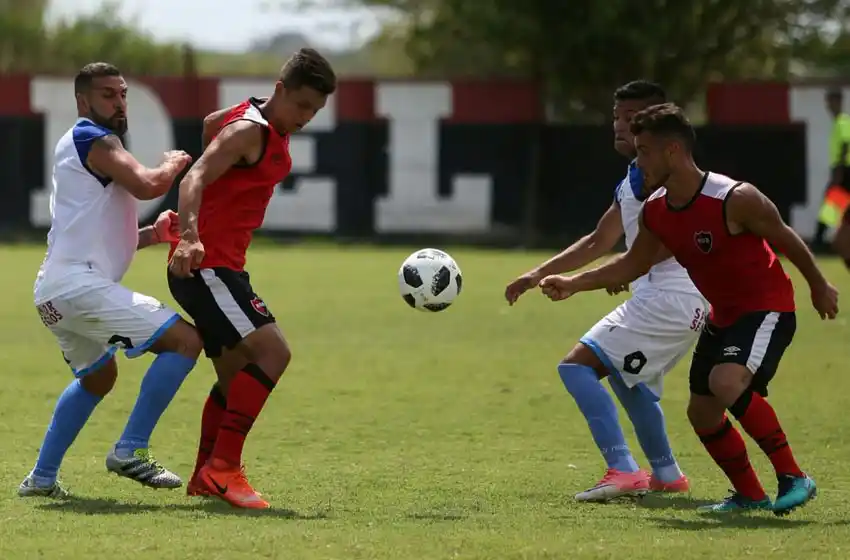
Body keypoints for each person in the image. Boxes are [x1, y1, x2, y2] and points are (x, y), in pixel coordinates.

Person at [539, 103, 837, 515]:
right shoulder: (657, 210)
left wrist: (819, 285)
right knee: (701, 411)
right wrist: (573, 284)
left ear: (672, 151)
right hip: (723, 314)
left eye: (644, 151)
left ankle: (793, 476)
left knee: (726, 381)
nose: (637, 160)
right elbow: (632, 264)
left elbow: (785, 238)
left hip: (766, 307)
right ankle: (749, 495)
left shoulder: (734, 197)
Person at [505, 81, 703, 502]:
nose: (620, 126)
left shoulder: (666, 181)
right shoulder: (635, 177)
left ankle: (623, 470)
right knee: (626, 381)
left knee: (576, 367)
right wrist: (536, 273)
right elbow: (600, 240)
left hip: (673, 296)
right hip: (672, 298)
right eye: (617, 117)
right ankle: (666, 474)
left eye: (631, 118)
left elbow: (655, 252)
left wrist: (583, 283)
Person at [20, 62, 203, 498]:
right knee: (186, 342)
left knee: (97, 379)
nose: (119, 102)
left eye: (122, 93)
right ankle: (130, 449)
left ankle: (41, 479)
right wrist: (173, 163)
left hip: (53, 292)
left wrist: (153, 235)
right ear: (83, 102)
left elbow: (95, 233)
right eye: (107, 94)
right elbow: (147, 185)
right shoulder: (91, 137)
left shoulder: (85, 148)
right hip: (76, 287)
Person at [167, 48, 337, 509]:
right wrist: (189, 237)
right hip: (207, 266)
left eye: (315, 111)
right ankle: (223, 468)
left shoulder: (252, 116)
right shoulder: (248, 130)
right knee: (274, 352)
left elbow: (207, 123)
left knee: (236, 375)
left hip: (221, 268)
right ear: (280, 91)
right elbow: (193, 177)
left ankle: (206, 473)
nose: (306, 117)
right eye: (301, 105)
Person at [813, 89, 850, 249]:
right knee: (832, 207)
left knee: (831, 206)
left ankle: (819, 242)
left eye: (831, 102)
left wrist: (839, 172)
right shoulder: (838, 122)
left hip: (844, 171)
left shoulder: (842, 121)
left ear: (839, 102)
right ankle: (820, 240)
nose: (829, 106)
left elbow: (845, 144)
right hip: (842, 170)